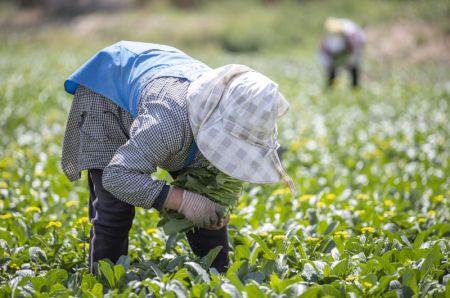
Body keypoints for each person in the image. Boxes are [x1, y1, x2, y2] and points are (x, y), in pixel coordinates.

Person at [61, 41, 294, 273]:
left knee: (206, 192)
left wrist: (212, 207)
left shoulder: (233, 107)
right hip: (109, 89)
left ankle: (218, 272)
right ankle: (103, 279)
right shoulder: (168, 122)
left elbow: (209, 189)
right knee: (115, 209)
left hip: (166, 80)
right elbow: (116, 177)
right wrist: (181, 200)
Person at [318, 17, 365, 88]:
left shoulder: (351, 33)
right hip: (339, 50)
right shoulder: (328, 35)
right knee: (332, 68)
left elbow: (353, 48)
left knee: (352, 66)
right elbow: (323, 49)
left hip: (355, 45)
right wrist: (331, 59)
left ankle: (355, 87)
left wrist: (347, 59)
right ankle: (330, 87)